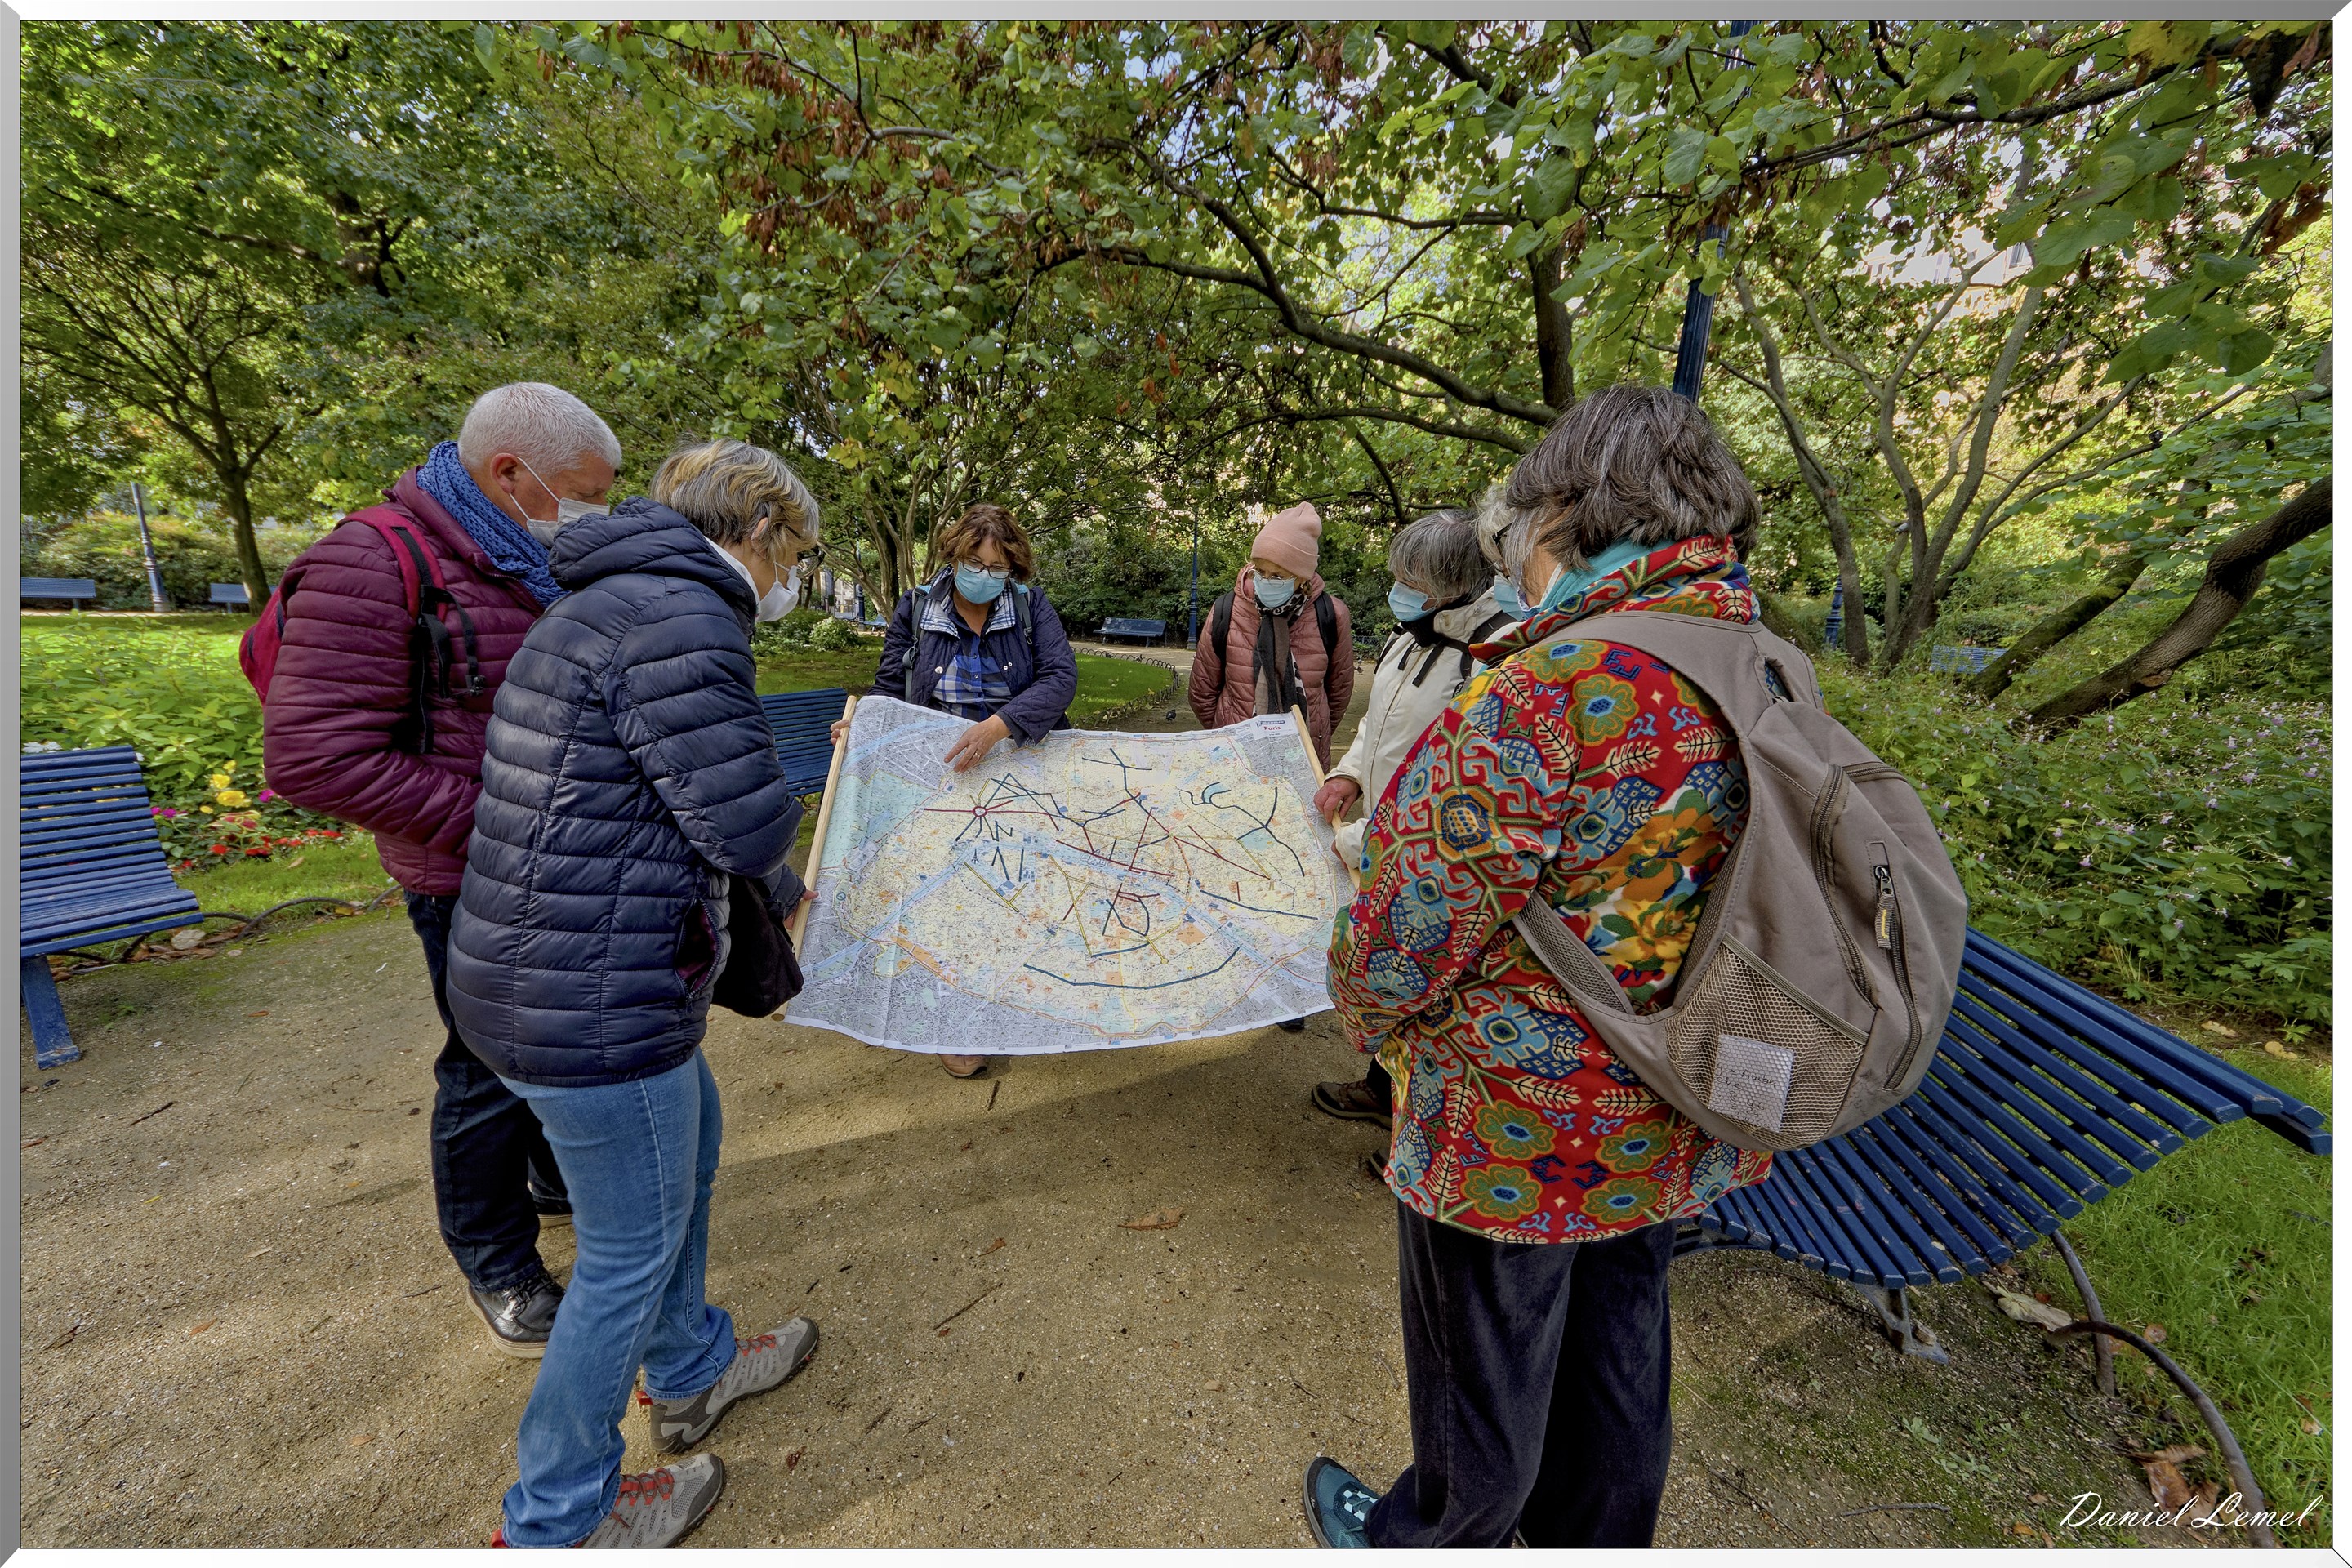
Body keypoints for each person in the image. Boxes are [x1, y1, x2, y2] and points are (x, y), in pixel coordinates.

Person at [1306, 385, 1779, 1550]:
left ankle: (1440, 1538)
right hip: (1677, 1099)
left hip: (1518, 1127)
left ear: (1567, 510)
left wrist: (1356, 1002)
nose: (1516, 556)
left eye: (1521, 530)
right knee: (1622, 1354)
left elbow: (1408, 929)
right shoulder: (1761, 667)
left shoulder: (1555, 685)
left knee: (1484, 1371)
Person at [446, 438, 826, 1549]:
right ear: (756, 534)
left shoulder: (608, 599)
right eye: (793, 550)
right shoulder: (684, 619)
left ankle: (696, 1367)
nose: (791, 572)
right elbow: (742, 820)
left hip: (556, 970)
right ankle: (562, 1515)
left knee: (689, 1152)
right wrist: (804, 821)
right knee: (625, 1250)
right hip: (593, 995)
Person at [262, 382, 621, 1356]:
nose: (594, 513)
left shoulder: (516, 559)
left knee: (555, 1046)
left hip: (557, 864)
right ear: (511, 474)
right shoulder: (372, 561)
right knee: (489, 1068)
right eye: (584, 494)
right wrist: (502, 824)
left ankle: (548, 1183)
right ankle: (496, 1261)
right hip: (470, 873)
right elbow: (315, 757)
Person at [1307, 509, 1512, 1135]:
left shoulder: (1490, 658)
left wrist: (1361, 841)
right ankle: (1383, 1090)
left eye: (1414, 579)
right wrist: (1350, 774)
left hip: (1423, 853)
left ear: (1457, 583)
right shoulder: (1408, 635)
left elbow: (1457, 791)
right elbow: (1379, 725)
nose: (1400, 590)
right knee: (1393, 972)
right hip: (1383, 833)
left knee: (1429, 989)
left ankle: (1415, 1130)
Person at [862, 501, 1080, 1078]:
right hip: (943, 775)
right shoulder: (916, 606)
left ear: (1013, 568)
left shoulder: (1032, 608)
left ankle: (1010, 1001)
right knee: (944, 899)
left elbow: (1061, 677)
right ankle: (952, 1021)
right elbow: (890, 686)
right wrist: (863, 727)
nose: (985, 575)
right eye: (973, 562)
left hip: (1015, 773)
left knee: (1011, 893)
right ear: (952, 557)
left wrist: (1001, 725)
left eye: (998, 566)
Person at [1187, 501, 1355, 770]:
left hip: (1305, 757)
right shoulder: (1227, 610)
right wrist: (1228, 731)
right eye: (1260, 571)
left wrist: (1314, 733)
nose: (1264, 581)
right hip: (1236, 756)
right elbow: (1202, 691)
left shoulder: (1331, 615)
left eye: (1278, 575)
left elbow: (1339, 691)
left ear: (1302, 576)